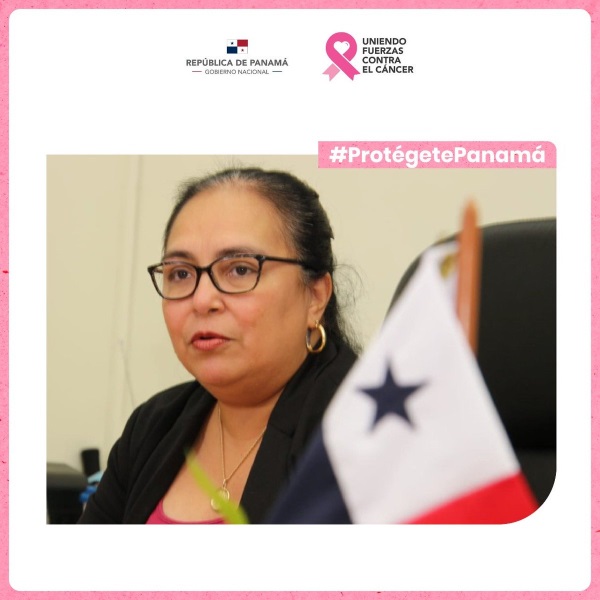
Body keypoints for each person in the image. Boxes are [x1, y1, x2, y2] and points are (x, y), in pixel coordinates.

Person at [78, 167, 358, 524]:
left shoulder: (363, 434)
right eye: (181, 273)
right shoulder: (153, 426)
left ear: (315, 296)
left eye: (240, 269)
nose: (201, 300)